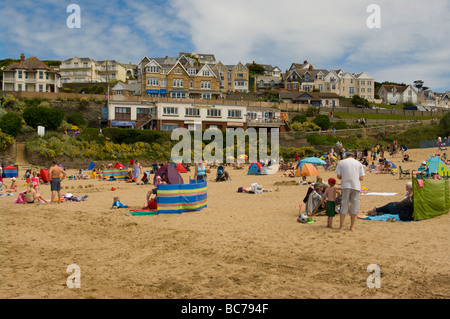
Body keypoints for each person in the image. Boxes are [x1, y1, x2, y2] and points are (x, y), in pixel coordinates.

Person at [335, 151, 365, 231]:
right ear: (354, 156)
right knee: (354, 206)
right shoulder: (358, 163)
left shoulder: (341, 162)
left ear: (346, 156)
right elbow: (361, 178)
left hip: (345, 186)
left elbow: (338, 176)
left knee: (344, 205)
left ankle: (341, 226)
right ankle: (352, 226)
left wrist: (345, 177)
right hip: (355, 186)